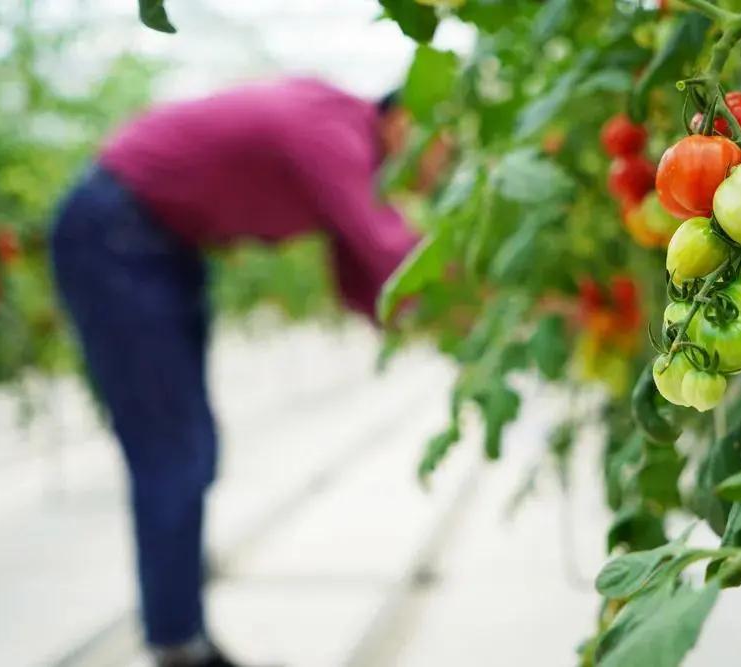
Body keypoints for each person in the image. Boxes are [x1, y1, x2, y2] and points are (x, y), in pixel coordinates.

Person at [49, 78, 447, 667]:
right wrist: (496, 289)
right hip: (117, 232)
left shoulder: (342, 137)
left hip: (155, 241)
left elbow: (359, 281)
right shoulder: (337, 132)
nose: (445, 170)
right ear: (406, 121)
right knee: (175, 454)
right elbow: (388, 256)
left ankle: (180, 627)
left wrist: (440, 316)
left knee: (191, 452)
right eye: (448, 149)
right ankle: (179, 645)